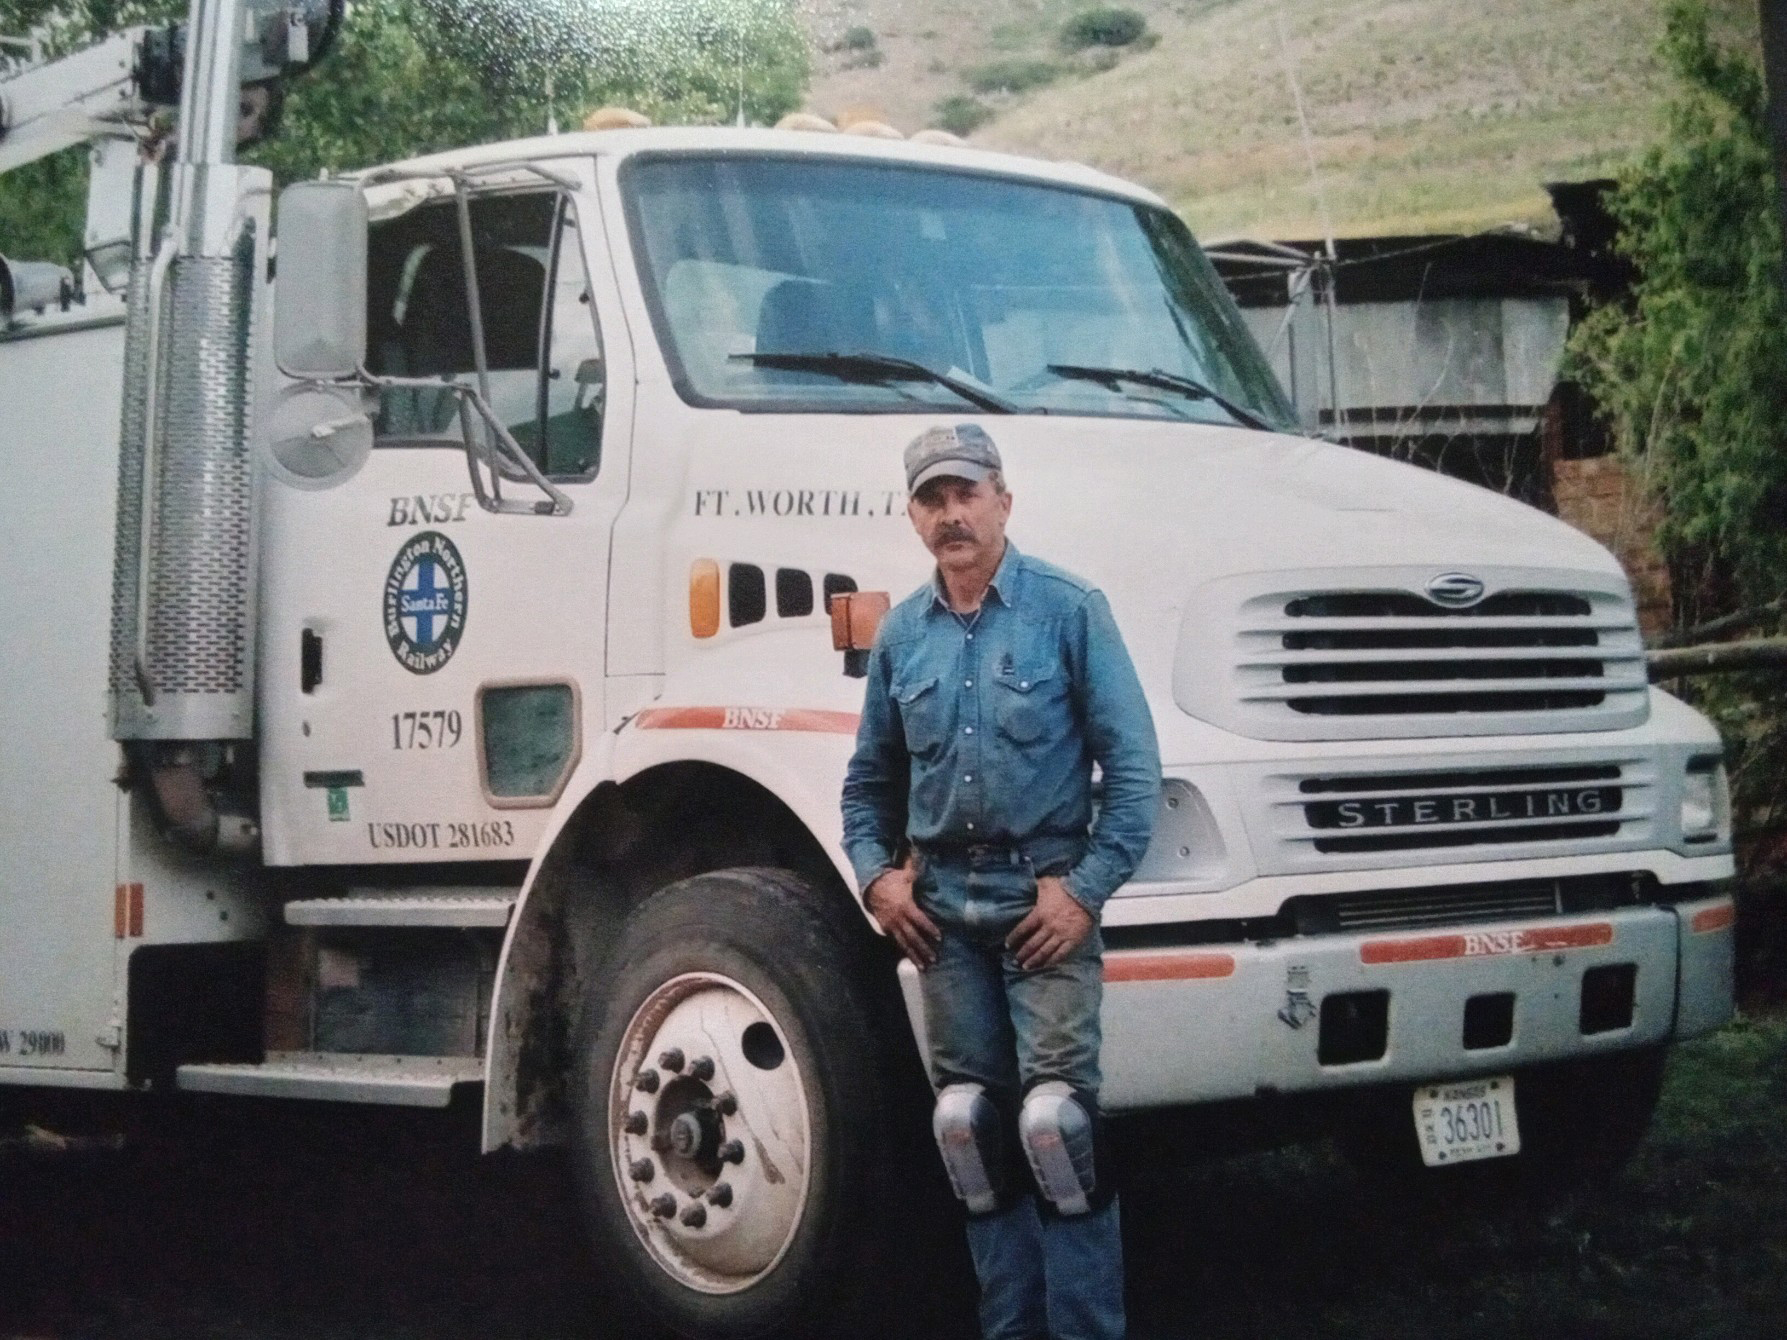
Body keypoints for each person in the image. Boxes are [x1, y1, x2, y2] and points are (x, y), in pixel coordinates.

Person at [841, 423, 1161, 1340]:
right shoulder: (902, 634)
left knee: (1059, 1133)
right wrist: (877, 881)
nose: (951, 514)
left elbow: (1133, 774)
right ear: (912, 516)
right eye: (932, 499)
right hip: (941, 918)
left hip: (1041, 908)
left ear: (1003, 501)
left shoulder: (1069, 610)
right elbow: (867, 785)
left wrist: (1083, 891)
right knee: (969, 1133)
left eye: (966, 494)